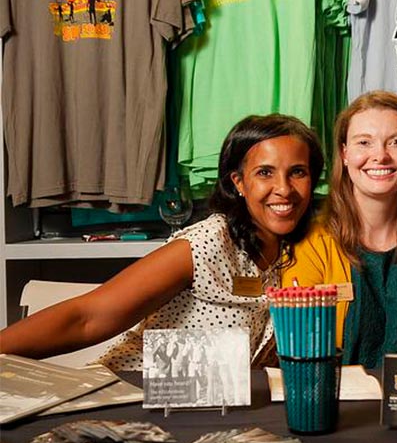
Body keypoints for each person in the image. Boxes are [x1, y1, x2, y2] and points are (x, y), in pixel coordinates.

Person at [0, 114, 324, 370]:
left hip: (216, 412)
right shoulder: (208, 242)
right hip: (136, 397)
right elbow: (88, 317)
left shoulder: (299, 251)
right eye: (265, 173)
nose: (283, 188)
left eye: (297, 172)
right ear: (238, 182)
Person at [283, 90, 397, 368]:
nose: (380, 156)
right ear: (345, 154)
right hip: (336, 404)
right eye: (364, 142)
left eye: (396, 142)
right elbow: (307, 359)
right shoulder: (311, 244)